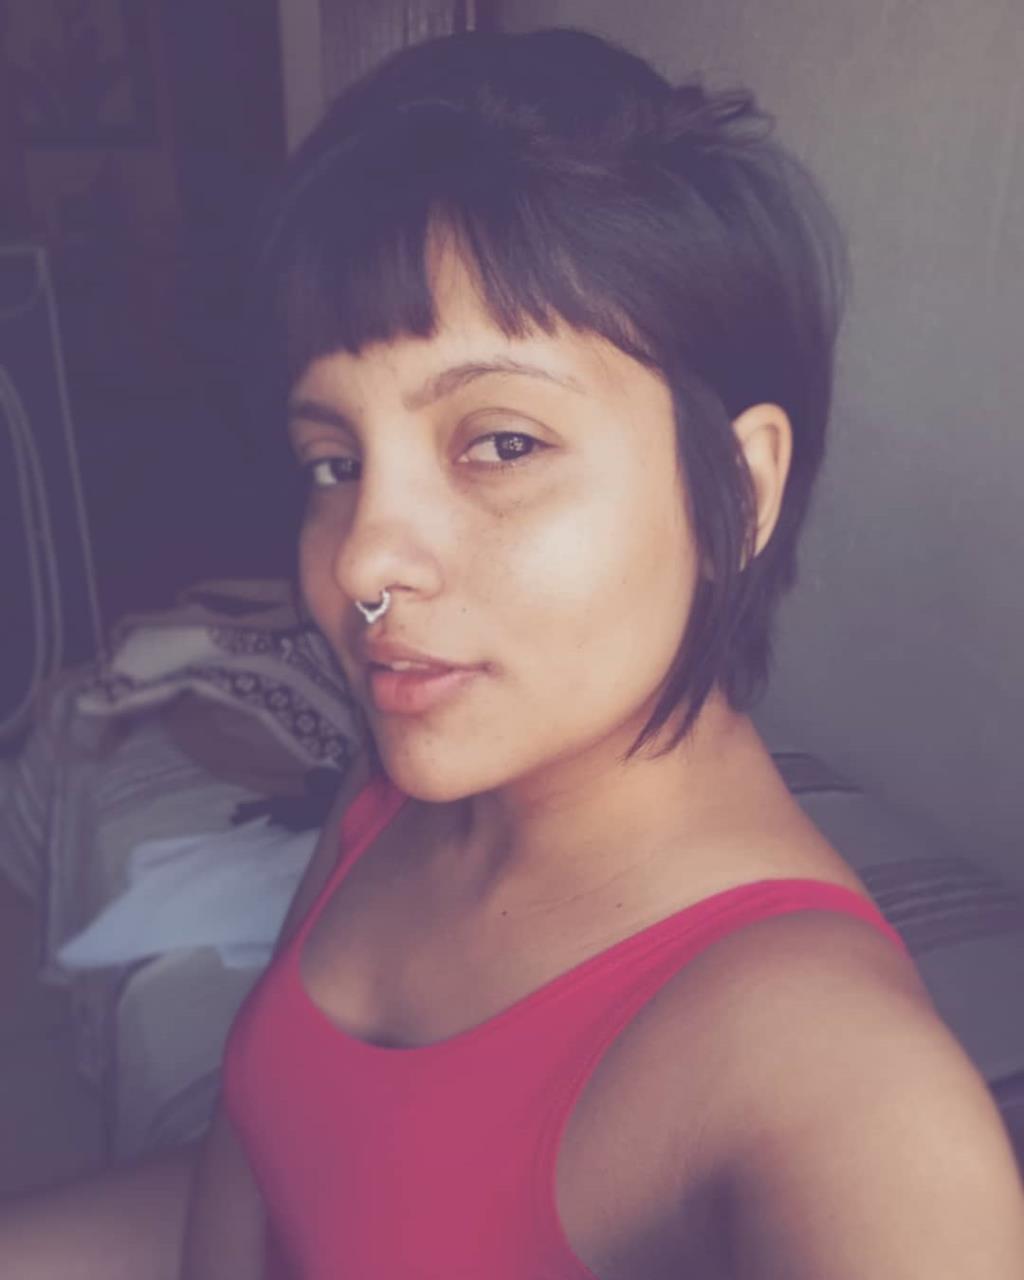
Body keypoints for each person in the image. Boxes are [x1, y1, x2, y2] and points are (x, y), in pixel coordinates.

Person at [3, 25, 1023, 1280]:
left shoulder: (842, 1089)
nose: (362, 561)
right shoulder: (400, 792)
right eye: (333, 461)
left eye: (500, 443)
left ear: (739, 491)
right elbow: (287, 1168)